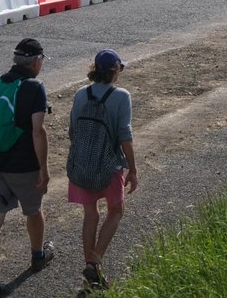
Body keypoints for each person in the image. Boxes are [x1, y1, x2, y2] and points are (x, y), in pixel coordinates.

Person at [0, 38, 54, 297]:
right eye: (41, 60)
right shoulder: (34, 87)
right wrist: (43, 167)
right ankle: (38, 255)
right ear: (35, 61)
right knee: (33, 212)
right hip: (24, 167)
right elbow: (38, 131)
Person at [67, 49, 138, 290]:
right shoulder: (121, 96)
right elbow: (124, 136)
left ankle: (91, 275)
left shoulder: (80, 94)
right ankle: (95, 262)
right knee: (116, 210)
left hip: (82, 164)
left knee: (90, 214)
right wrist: (133, 169)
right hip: (108, 164)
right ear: (115, 71)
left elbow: (72, 132)